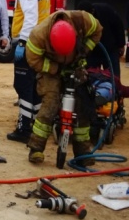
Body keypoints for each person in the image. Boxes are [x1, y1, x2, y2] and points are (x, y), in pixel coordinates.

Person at [25, 10, 102, 165]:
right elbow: (33, 60)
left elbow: (98, 30)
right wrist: (56, 69)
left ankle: (82, 152)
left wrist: (84, 51)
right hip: (51, 69)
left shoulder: (83, 20)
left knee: (82, 104)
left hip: (75, 64)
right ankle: (36, 149)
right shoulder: (38, 35)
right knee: (50, 103)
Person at [6, 0, 50, 143]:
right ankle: (34, 125)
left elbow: (30, 16)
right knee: (33, 87)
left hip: (30, 43)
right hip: (39, 42)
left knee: (23, 86)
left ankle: (24, 129)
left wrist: (22, 42)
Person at [77, 1, 125, 77]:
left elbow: (118, 25)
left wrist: (121, 45)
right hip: (93, 51)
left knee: (114, 77)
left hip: (110, 50)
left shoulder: (106, 10)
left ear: (92, 12)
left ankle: (115, 88)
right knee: (90, 76)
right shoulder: (79, 18)